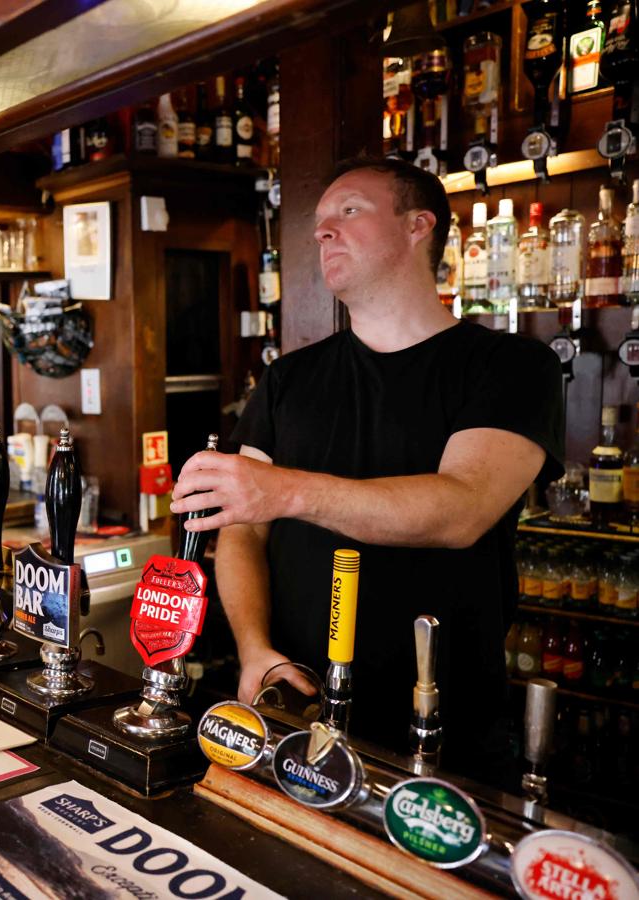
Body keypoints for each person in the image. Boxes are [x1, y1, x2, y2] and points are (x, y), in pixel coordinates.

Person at [172, 157, 563, 781]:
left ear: (418, 226)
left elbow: (462, 508)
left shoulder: (511, 367)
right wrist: (254, 651)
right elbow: (243, 531)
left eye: (348, 211)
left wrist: (285, 490)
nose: (323, 231)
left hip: (438, 725)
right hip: (292, 708)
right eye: (319, 221)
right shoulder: (288, 380)